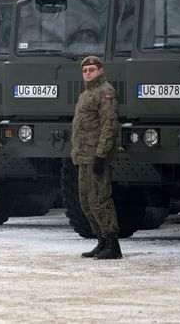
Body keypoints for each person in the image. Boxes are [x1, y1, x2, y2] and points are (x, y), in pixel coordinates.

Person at [71, 56, 121, 259]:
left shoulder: (106, 92)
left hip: (96, 156)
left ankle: (112, 244)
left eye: (92, 70)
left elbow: (109, 126)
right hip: (83, 157)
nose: (88, 73)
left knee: (100, 199)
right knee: (85, 200)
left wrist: (101, 155)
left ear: (100, 71)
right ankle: (101, 240)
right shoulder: (86, 93)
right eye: (85, 71)